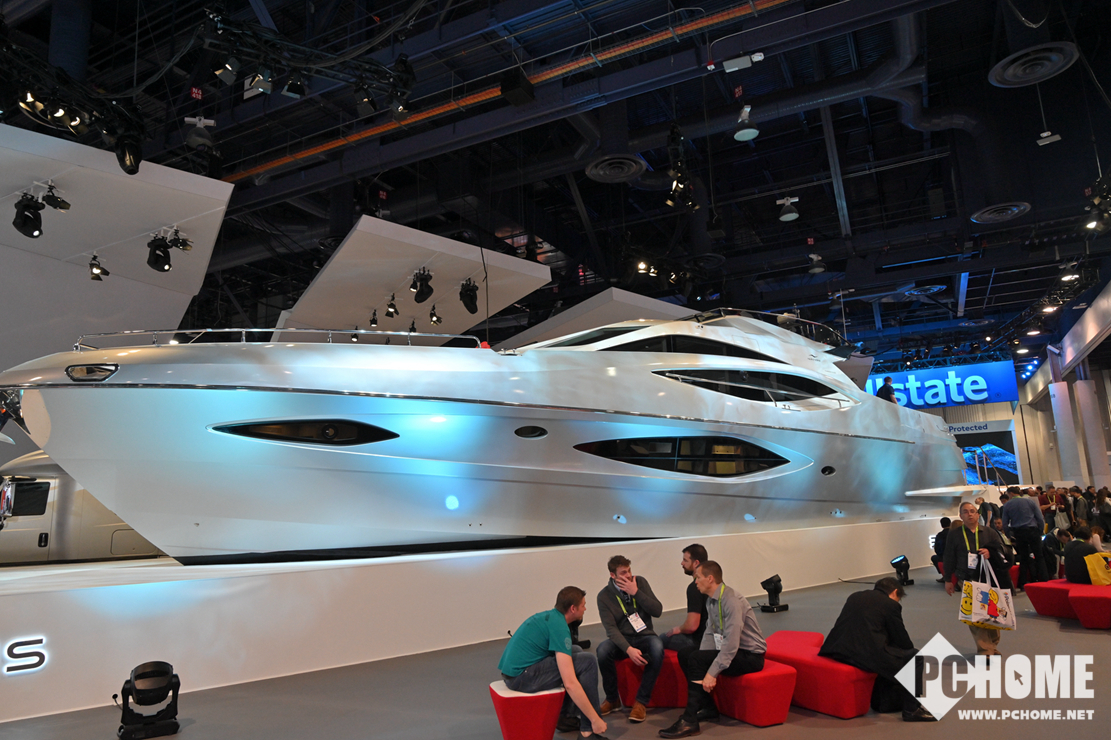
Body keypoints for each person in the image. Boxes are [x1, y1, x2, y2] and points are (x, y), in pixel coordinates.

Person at [658, 561, 766, 739]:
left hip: (750, 656)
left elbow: (731, 644)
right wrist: (702, 658)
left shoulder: (732, 601)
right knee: (687, 654)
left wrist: (711, 671)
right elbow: (710, 631)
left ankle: (689, 720)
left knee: (697, 659)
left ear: (710, 579)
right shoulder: (711, 600)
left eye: (698, 578)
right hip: (733, 651)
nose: (695, 582)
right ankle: (708, 708)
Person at [818, 577, 936, 722]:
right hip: (861, 656)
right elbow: (902, 640)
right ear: (895, 592)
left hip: (836, 649)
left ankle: (885, 702)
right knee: (914, 657)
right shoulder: (890, 605)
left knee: (887, 652)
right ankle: (912, 709)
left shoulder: (855, 596)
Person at [498, 586, 609, 739]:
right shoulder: (560, 629)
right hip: (521, 678)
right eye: (583, 605)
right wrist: (595, 719)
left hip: (514, 673)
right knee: (588, 662)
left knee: (576, 650)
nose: (585, 608)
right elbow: (569, 683)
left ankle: (565, 717)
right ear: (573, 609)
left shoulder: (552, 617)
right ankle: (588, 730)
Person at [596, 555, 664, 723]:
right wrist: (628, 649)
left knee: (657, 647)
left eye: (629, 571)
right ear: (613, 575)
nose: (628, 576)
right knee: (602, 650)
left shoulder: (640, 583)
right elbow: (611, 630)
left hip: (644, 635)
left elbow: (657, 610)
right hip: (622, 639)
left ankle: (641, 702)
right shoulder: (604, 596)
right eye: (623, 573)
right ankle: (612, 699)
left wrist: (636, 593)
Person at [944, 501, 1013, 658]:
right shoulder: (955, 535)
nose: (969, 514)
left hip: (989, 578)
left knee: (992, 613)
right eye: (965, 512)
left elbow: (1003, 550)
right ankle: (985, 650)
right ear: (960, 516)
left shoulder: (989, 532)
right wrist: (948, 579)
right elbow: (949, 557)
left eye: (972, 511)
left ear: (978, 514)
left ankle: (992, 645)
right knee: (975, 615)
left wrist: (990, 552)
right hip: (967, 578)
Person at [662, 544, 709, 653]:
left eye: (685, 560)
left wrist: (679, 629)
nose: (682, 563)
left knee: (661, 639)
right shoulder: (714, 583)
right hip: (716, 639)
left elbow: (692, 626)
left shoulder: (695, 587)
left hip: (700, 642)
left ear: (696, 563)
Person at [1001, 488, 1047, 588]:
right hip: (1033, 530)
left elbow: (1005, 523)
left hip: (1019, 532)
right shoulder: (1030, 502)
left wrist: (1009, 535)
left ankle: (1023, 582)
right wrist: (1040, 531)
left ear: (1011, 493)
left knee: (1024, 557)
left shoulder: (1007, 505)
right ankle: (1044, 579)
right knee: (1039, 556)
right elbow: (1040, 518)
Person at [931, 517, 951, 582]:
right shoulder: (954, 534)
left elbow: (937, 549)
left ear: (941, 525)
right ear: (950, 523)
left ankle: (944, 575)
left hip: (943, 557)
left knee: (934, 558)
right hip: (955, 557)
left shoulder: (939, 535)